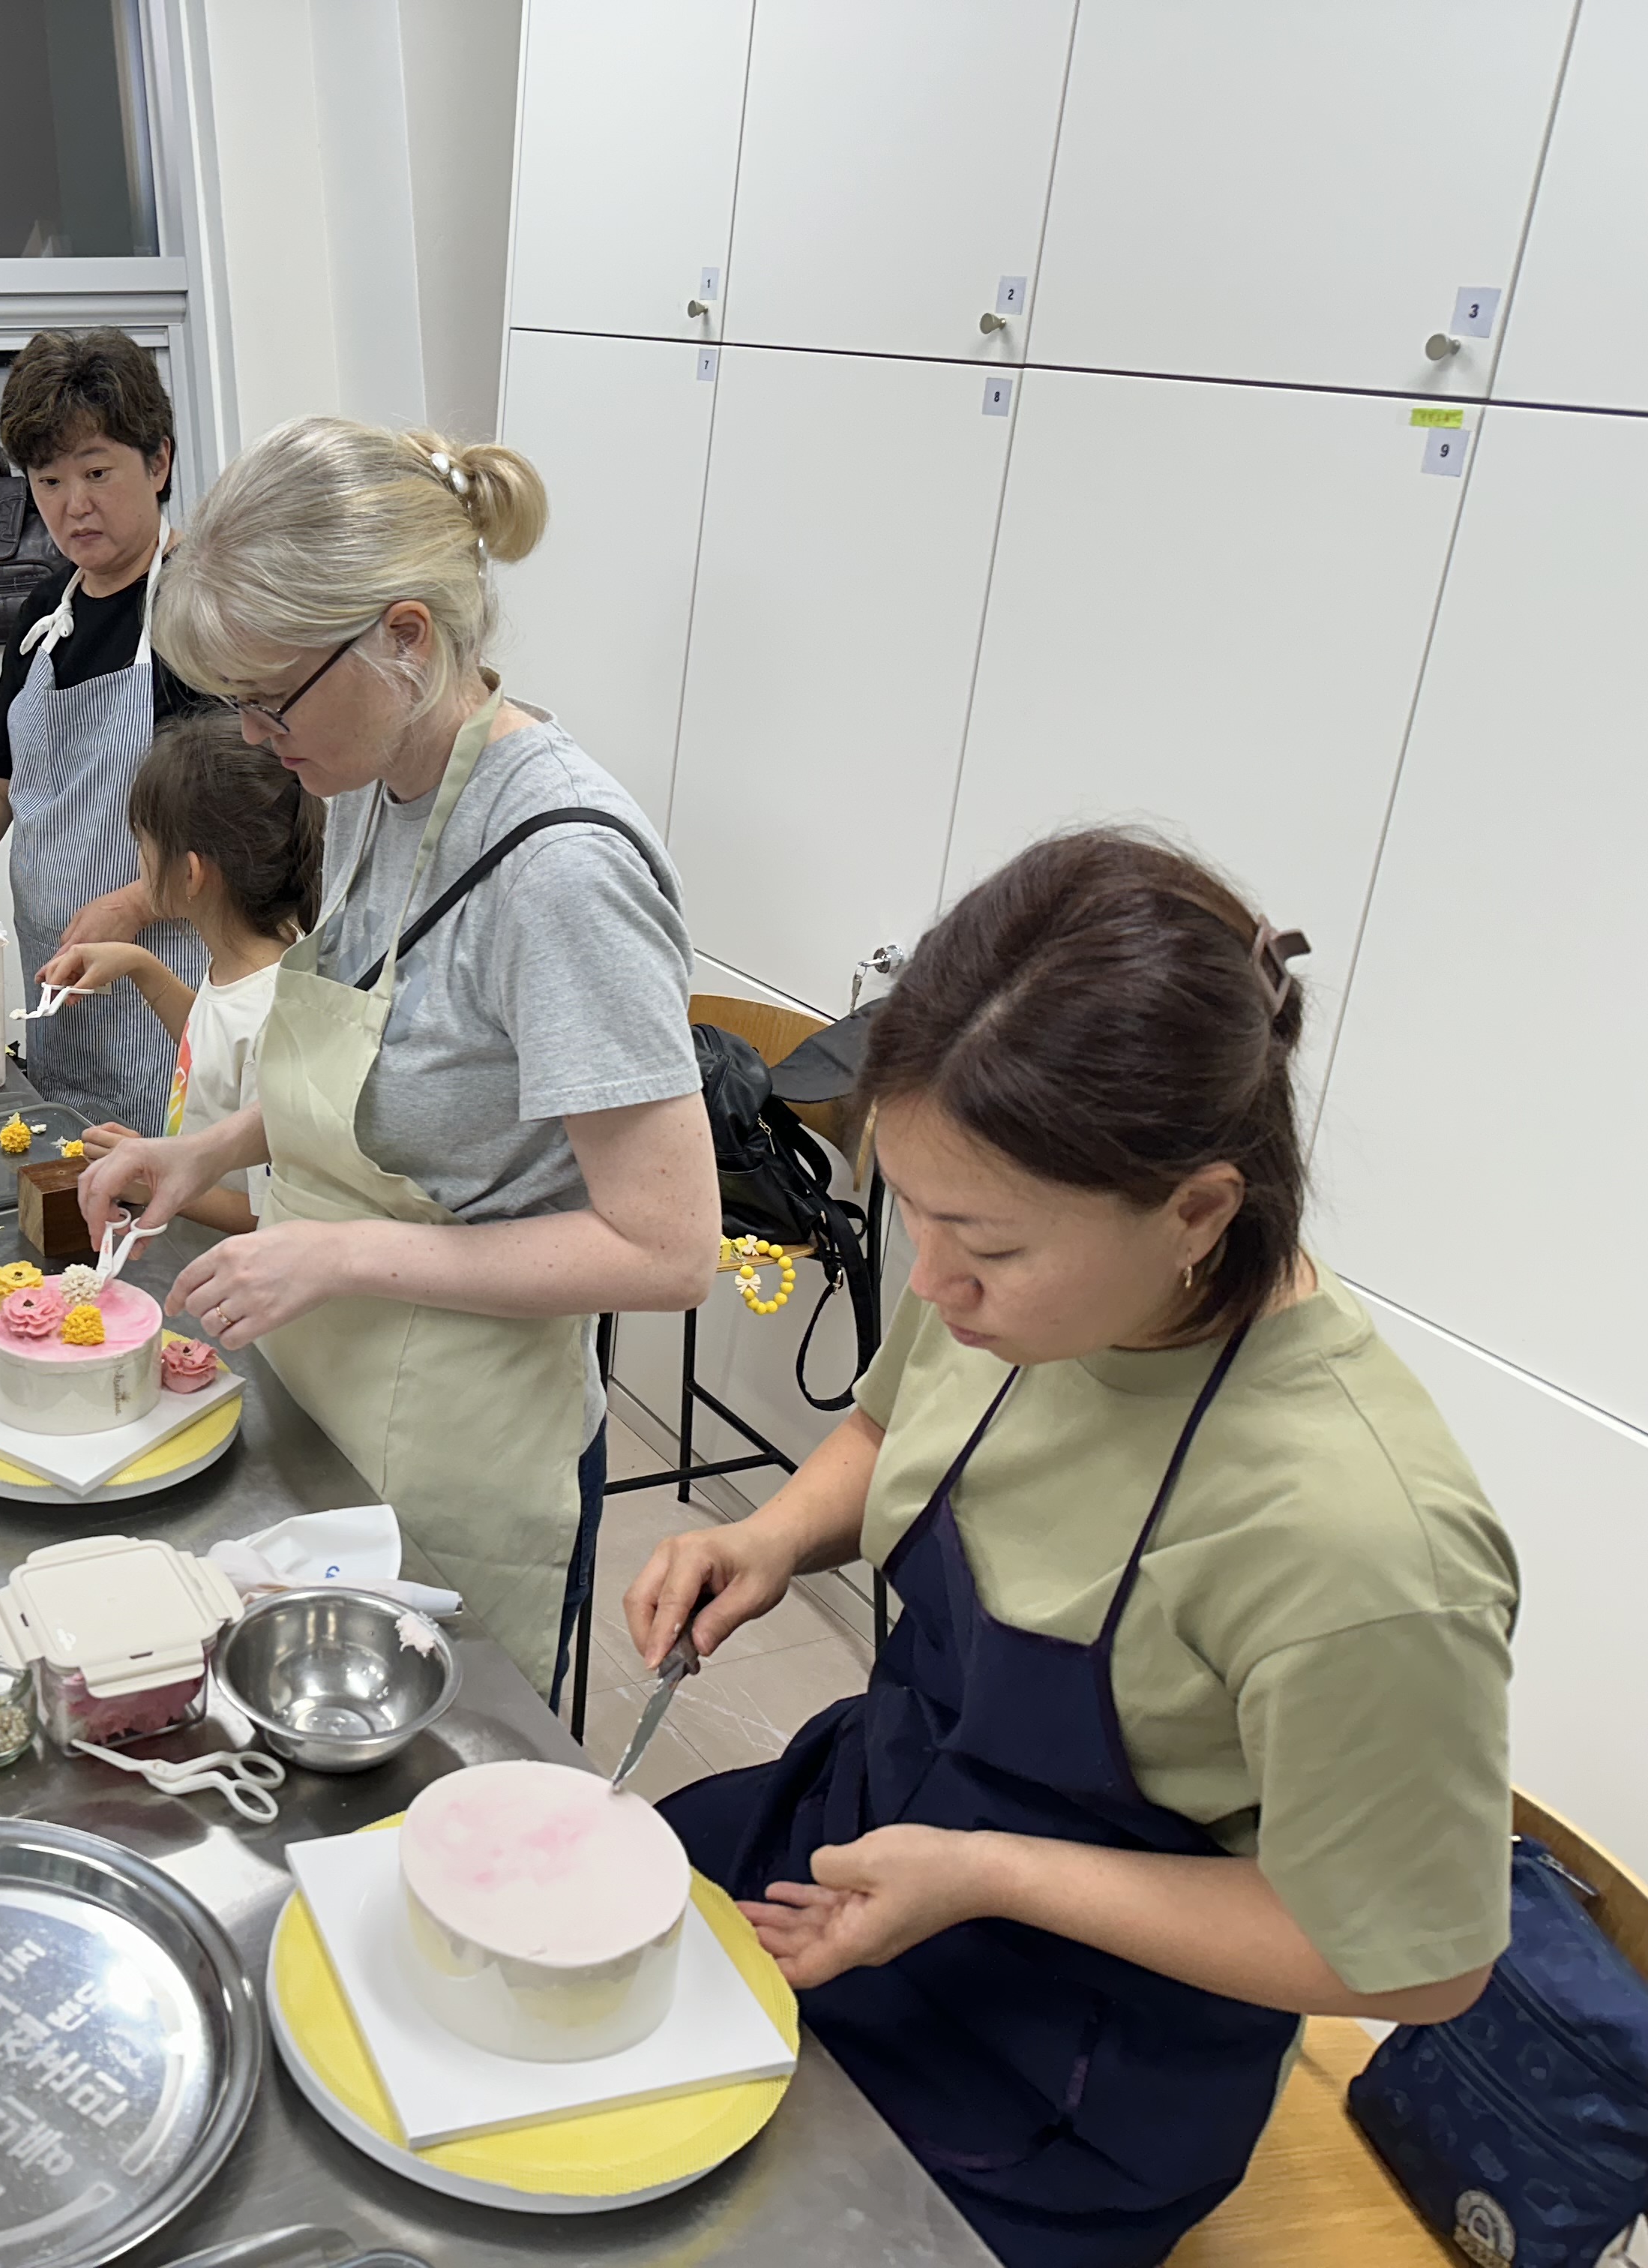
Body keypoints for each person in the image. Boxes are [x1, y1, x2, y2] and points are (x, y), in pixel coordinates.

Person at [633, 831, 1518, 2268]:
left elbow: (1421, 1960)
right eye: (913, 1213)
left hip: (1073, 2058)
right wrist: (772, 1531)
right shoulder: (1012, 1278)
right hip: (867, 1827)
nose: (930, 1281)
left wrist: (991, 1872)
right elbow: (890, 1422)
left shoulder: (1359, 1542)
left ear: (1196, 1210)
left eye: (983, 1244)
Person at [77, 418, 721, 1694]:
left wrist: (340, 1251)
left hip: (464, 1439)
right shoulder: (377, 784)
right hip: (335, 1393)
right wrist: (210, 1146)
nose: (252, 735)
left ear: (406, 638)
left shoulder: (560, 871)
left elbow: (668, 1249)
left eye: (270, 699)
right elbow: (390, 1065)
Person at [0, 328, 213, 1125]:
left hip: (171, 974)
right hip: (60, 984)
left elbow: (243, 831)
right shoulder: (45, 612)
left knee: (169, 1167)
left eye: (97, 473)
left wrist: (136, 903)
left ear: (159, 463)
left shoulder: (201, 612)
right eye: (49, 480)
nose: (74, 505)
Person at [38, 710, 322, 1234]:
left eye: (142, 845)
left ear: (190, 874)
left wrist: (152, 1180)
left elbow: (262, 1214)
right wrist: (141, 966)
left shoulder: (272, 1015)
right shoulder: (253, 959)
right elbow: (212, 1051)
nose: (138, 861)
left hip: (232, 1267)